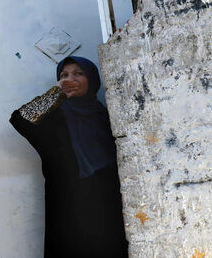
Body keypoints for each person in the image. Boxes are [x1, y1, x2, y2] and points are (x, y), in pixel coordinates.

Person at [9, 56, 128, 258]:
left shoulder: (107, 116)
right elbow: (20, 119)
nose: (70, 79)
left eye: (78, 73)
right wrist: (56, 93)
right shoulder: (54, 119)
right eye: (64, 75)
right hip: (70, 209)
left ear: (92, 79)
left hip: (108, 208)